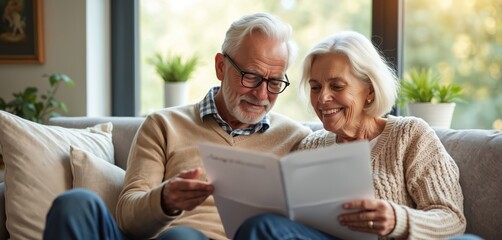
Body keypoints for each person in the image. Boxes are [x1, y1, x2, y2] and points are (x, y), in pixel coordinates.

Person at [43, 12, 311, 240]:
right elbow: (126, 215)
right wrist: (164, 200)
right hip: (163, 234)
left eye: (275, 82)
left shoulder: (296, 139)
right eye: (251, 76)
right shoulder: (164, 125)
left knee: (182, 237)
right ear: (221, 66)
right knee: (74, 204)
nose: (262, 94)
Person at [233, 31, 470, 240]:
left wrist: (397, 220)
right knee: (261, 226)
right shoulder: (309, 147)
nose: (322, 98)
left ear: (369, 90)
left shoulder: (410, 135)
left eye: (336, 86)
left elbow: (452, 220)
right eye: (315, 87)